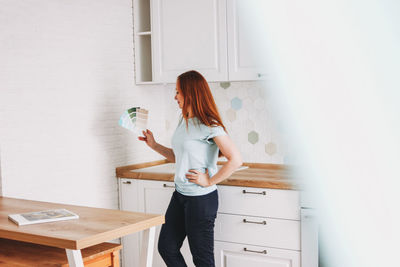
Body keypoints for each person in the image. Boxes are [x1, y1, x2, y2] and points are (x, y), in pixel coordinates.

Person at [138, 70, 242, 267]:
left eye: (178, 91)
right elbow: (180, 157)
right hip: (180, 195)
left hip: (201, 200)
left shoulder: (210, 124)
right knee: (166, 247)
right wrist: (154, 145)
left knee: (202, 261)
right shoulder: (183, 119)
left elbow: (235, 159)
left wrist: (209, 180)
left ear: (191, 93)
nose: (175, 96)